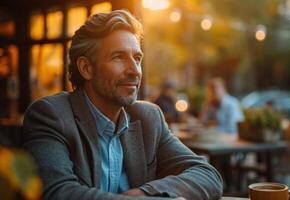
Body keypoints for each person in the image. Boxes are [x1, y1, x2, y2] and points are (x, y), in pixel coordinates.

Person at [22, 10, 223, 200]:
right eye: (118, 57)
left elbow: (208, 175)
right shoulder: (50, 115)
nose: (135, 71)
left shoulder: (148, 117)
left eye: (137, 58)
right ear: (86, 68)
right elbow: (59, 193)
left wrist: (145, 194)